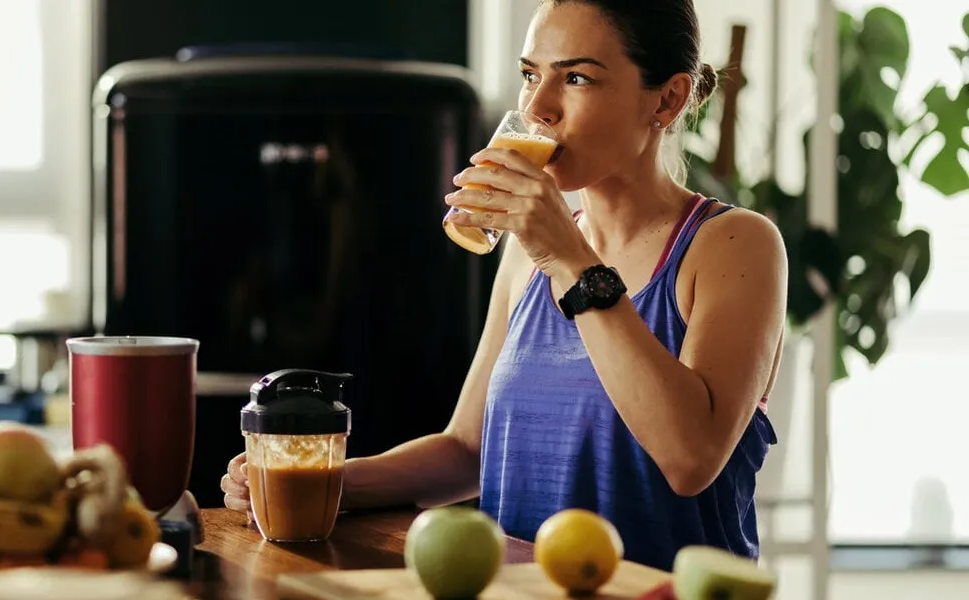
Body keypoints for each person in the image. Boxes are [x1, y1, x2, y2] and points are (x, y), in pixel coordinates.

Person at [221, 0, 786, 571]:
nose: (538, 107)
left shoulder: (734, 246)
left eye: (577, 77)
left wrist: (569, 260)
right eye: (530, 75)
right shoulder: (527, 253)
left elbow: (690, 459)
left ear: (666, 99)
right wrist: (314, 482)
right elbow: (467, 450)